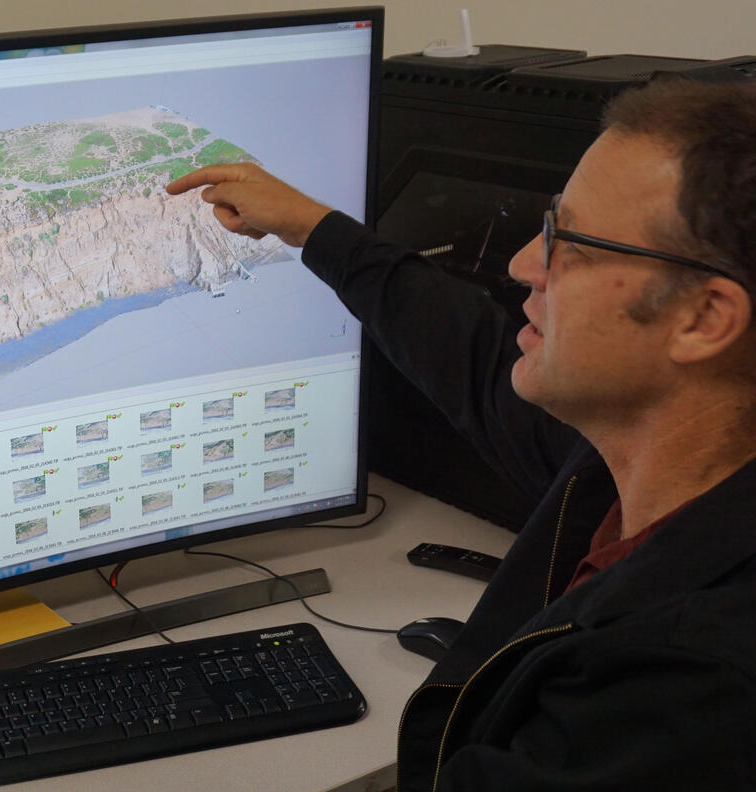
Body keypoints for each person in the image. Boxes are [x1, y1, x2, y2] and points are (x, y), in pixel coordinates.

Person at [168, 78, 756, 790]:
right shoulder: (631, 471)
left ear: (705, 318)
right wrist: (313, 228)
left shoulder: (683, 691)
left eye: (566, 241)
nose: (520, 267)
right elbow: (468, 355)